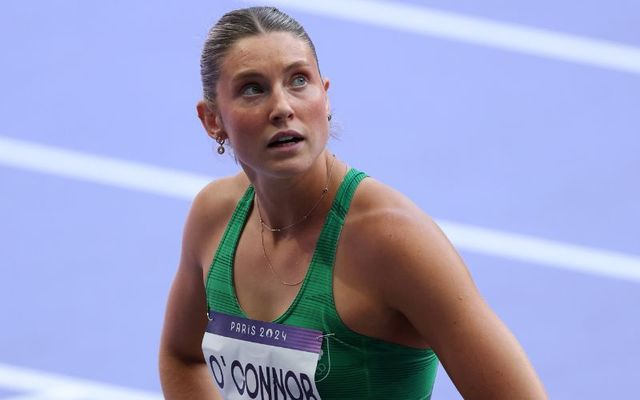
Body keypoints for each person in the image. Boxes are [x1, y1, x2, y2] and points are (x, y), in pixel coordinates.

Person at [159, 6, 547, 399]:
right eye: (253, 89)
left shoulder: (391, 240)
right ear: (212, 120)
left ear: (324, 97)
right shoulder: (215, 217)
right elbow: (182, 356)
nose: (282, 107)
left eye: (298, 80)